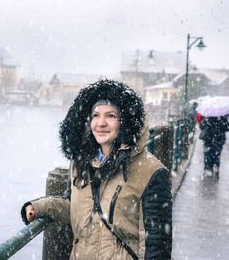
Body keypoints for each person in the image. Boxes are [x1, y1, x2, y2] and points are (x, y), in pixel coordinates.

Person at [21, 79, 172, 259]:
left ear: (126, 122)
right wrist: (39, 207)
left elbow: (156, 247)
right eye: (95, 115)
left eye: (111, 116)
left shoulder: (151, 172)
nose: (101, 123)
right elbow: (77, 207)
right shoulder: (81, 162)